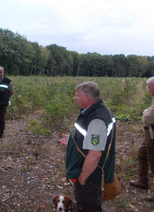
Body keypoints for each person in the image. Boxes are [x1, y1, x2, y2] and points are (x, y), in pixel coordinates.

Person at [60, 82, 116, 212]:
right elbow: (90, 137)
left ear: (88, 98)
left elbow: (95, 154)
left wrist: (83, 178)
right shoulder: (93, 112)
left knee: (88, 205)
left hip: (90, 175)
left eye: (77, 95)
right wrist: (73, 140)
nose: (75, 97)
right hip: (88, 171)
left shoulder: (96, 120)